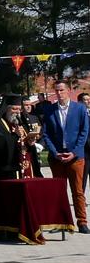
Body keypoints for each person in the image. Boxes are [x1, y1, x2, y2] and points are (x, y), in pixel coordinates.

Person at [42, 82, 89, 234]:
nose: (59, 93)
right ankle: (61, 222)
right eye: (56, 90)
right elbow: (46, 134)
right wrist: (55, 152)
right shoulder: (49, 110)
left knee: (78, 191)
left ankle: (82, 222)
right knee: (59, 190)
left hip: (75, 157)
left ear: (68, 91)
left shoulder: (80, 108)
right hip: (57, 157)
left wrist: (74, 152)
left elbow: (84, 132)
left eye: (62, 90)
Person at [0, 94, 38, 180]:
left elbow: (24, 145)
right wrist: (14, 136)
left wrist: (30, 143)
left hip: (24, 167)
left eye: (19, 109)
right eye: (14, 109)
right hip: (7, 171)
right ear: (6, 109)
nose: (17, 112)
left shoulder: (19, 123)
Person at [22, 98, 44, 178]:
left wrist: (39, 141)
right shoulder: (19, 118)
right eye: (26, 105)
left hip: (34, 147)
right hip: (24, 149)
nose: (28, 107)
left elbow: (41, 131)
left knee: (36, 169)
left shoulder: (34, 117)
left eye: (30, 105)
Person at [79, 92, 90, 191]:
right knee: (83, 176)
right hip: (84, 150)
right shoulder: (79, 115)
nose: (88, 101)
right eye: (85, 100)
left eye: (88, 99)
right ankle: (81, 198)